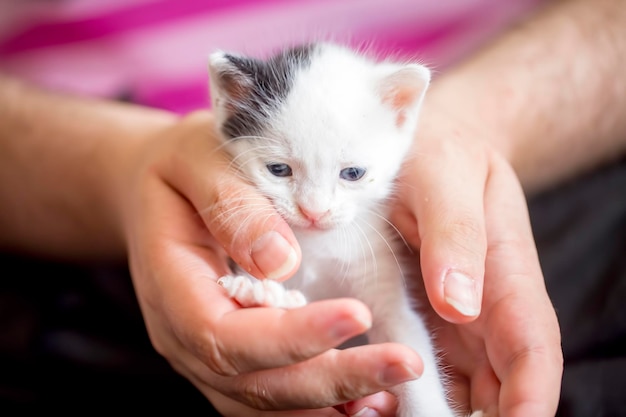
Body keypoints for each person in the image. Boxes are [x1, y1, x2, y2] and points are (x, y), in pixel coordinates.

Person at [1, 0, 622, 415]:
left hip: (562, 187)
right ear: (228, 105)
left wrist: (481, 120)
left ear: (404, 114)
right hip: (83, 253)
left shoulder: (390, 124)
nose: (317, 209)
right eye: (279, 170)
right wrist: (122, 168)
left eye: (351, 174)